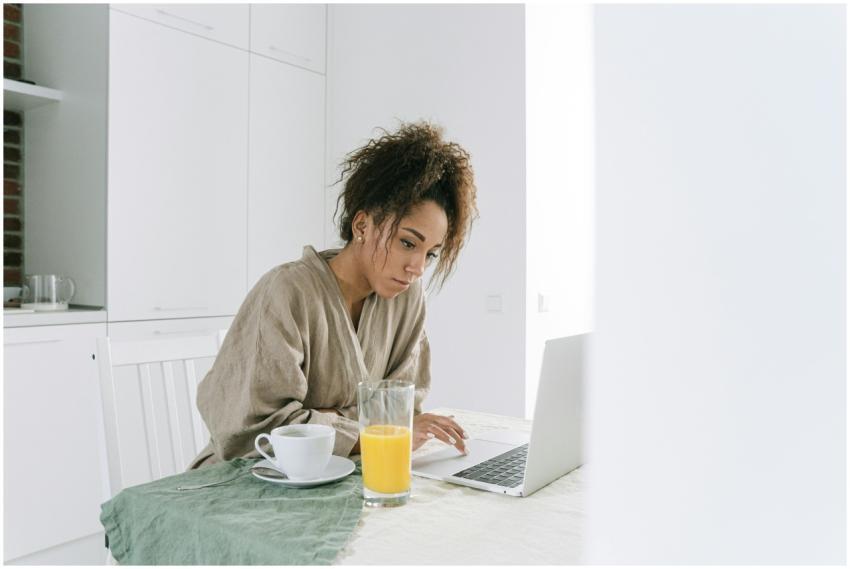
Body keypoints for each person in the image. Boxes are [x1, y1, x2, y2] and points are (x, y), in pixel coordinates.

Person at [189, 122, 479, 469]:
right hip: (247, 477)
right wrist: (367, 426)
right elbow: (255, 430)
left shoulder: (408, 299)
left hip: (342, 474)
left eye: (430, 253)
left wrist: (326, 419)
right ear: (362, 226)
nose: (417, 267)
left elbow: (403, 409)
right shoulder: (287, 292)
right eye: (407, 243)